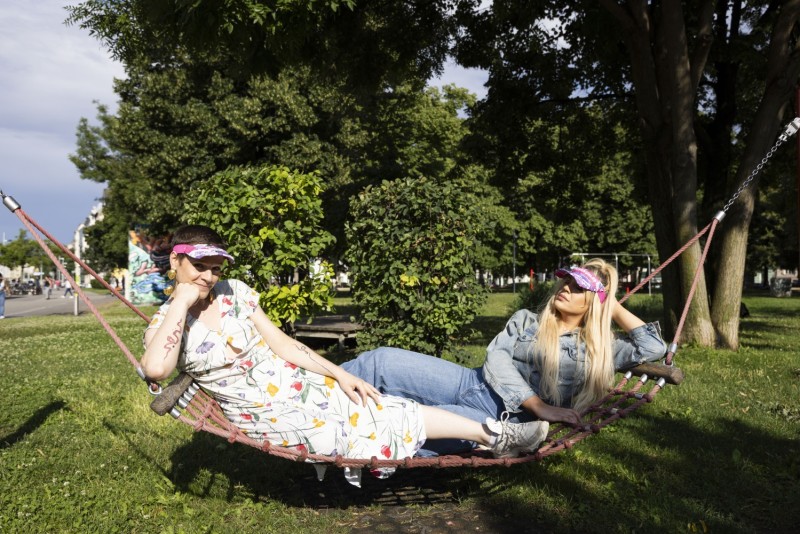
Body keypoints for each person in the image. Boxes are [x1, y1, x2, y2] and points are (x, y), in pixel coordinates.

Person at [141, 225, 549, 481]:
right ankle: (494, 435)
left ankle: (496, 435)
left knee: (375, 403)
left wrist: (339, 374)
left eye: (215, 268)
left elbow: (283, 344)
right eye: (199, 267)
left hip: (298, 384)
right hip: (265, 413)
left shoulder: (234, 292)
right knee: (356, 427)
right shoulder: (164, 325)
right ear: (176, 260)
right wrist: (181, 300)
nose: (208, 277)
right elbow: (157, 368)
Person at [342, 258, 667, 456]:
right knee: (380, 362)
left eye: (578, 287)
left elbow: (653, 347)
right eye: (566, 281)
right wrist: (537, 405)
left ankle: (331, 428)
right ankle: (312, 384)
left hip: (502, 420)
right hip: (470, 381)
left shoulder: (599, 351)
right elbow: (496, 358)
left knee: (403, 423)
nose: (565, 288)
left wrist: (611, 304)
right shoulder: (527, 320)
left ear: (594, 302)